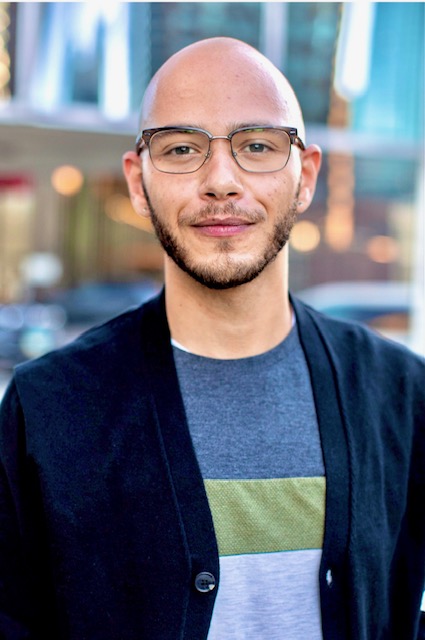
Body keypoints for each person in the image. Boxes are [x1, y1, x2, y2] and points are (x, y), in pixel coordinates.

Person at [0, 37, 424, 640]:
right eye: (180, 148)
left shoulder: (400, 394)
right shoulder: (49, 407)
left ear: (305, 177)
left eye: (256, 145)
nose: (221, 181)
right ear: (139, 184)